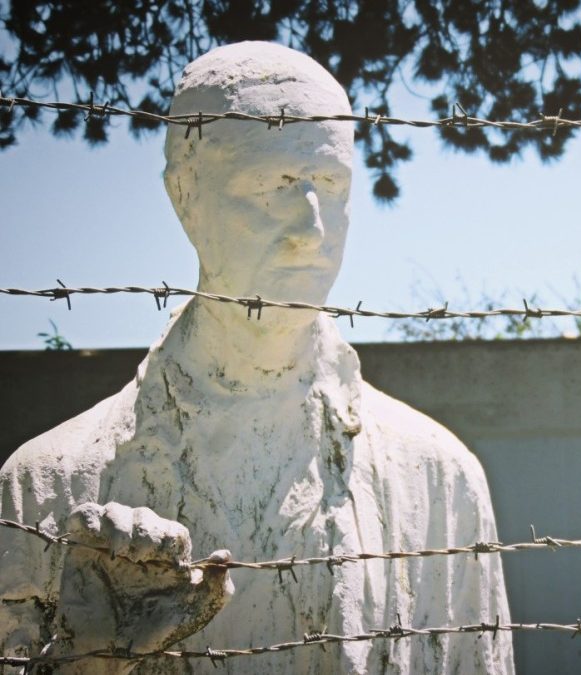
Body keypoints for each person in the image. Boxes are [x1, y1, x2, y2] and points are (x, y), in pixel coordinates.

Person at [0, 41, 513, 674]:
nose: (311, 227)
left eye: (330, 183)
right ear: (185, 194)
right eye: (271, 183)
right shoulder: (47, 484)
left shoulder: (439, 480)